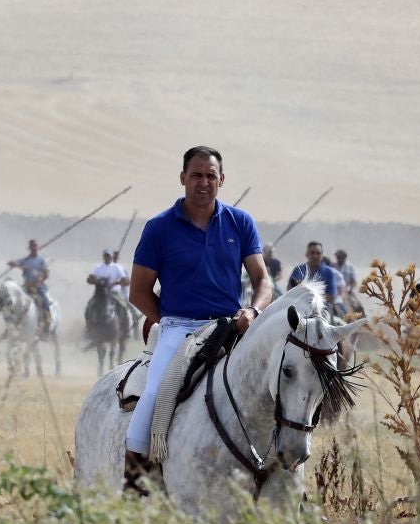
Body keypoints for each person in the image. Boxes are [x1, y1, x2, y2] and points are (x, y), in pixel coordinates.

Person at [124, 146, 271, 493]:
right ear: (182, 178)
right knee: (156, 393)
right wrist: (172, 319)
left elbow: (263, 279)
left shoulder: (240, 222)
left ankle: (287, 483)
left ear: (221, 180)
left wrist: (253, 311)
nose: (203, 182)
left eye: (210, 175)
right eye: (196, 175)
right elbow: (139, 291)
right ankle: (135, 486)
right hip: (180, 329)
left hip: (231, 325)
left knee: (275, 385)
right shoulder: (159, 228)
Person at [288, 240, 344, 305]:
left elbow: (331, 296)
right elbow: (290, 288)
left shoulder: (329, 272)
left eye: (318, 253)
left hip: (322, 307)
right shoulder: (299, 270)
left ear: (322, 255)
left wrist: (313, 300)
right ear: (307, 254)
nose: (315, 256)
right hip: (299, 304)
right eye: (312, 253)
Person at [8, 239, 52, 320]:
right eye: (32, 246)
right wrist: (14, 263)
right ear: (29, 248)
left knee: (43, 297)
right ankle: (14, 320)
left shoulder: (41, 260)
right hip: (27, 286)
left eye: (35, 246)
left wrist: (39, 280)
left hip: (39, 286)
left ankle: (47, 317)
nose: (34, 248)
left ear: (37, 247)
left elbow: (46, 274)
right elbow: (12, 262)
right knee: (16, 298)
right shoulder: (25, 260)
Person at [332, 249, 361, 315]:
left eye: (340, 257)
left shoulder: (350, 267)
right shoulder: (332, 266)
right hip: (334, 291)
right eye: (337, 257)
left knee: (358, 305)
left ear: (345, 256)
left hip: (347, 291)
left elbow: (354, 281)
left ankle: (363, 320)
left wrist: (350, 289)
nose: (339, 259)